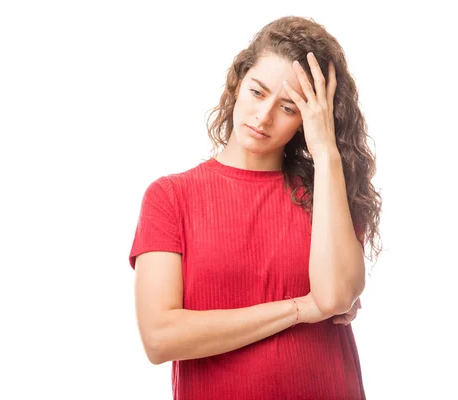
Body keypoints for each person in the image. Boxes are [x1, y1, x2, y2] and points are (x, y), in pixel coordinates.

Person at [128, 15, 382, 399]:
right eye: (258, 92)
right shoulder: (170, 197)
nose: (263, 118)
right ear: (237, 82)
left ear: (308, 121)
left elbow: (333, 297)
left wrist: (327, 153)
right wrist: (299, 309)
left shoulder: (326, 194)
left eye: (289, 108)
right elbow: (160, 338)